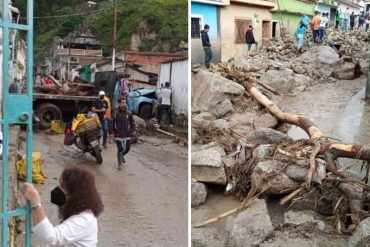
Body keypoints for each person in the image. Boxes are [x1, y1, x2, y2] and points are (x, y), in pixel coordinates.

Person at [21, 166, 104, 246]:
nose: (59, 190)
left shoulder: (84, 220)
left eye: (63, 187)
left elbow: (51, 237)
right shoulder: (78, 211)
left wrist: (36, 202)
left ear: (75, 194)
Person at [113, 98, 136, 170]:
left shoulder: (128, 112)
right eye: (123, 102)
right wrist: (111, 133)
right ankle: (119, 164)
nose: (124, 104)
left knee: (127, 148)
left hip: (126, 133)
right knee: (120, 149)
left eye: (125, 102)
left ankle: (122, 155)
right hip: (118, 134)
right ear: (119, 103)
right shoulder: (116, 113)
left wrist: (134, 130)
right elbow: (112, 123)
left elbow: (132, 122)